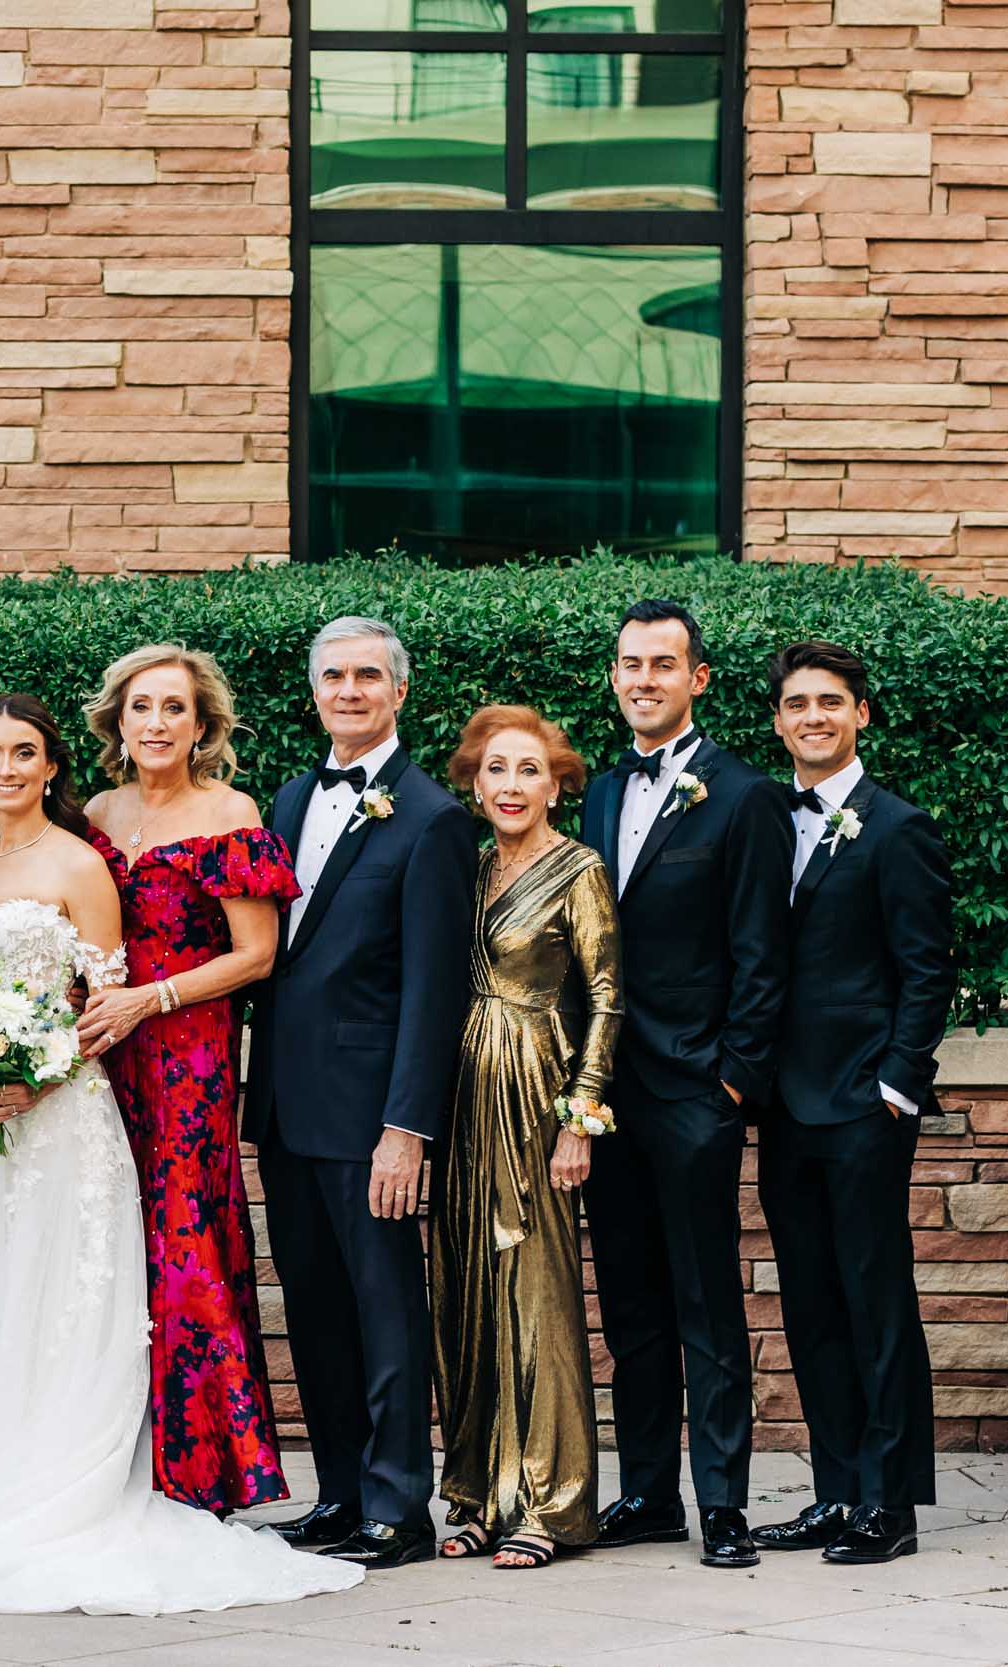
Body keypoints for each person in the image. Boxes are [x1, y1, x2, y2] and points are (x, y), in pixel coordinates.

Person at [0, 695, 363, 1615]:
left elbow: (110, 997)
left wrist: (39, 1074)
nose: (9, 768)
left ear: (52, 764)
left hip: (63, 1112)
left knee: (62, 1294)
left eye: (26, 752)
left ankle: (75, 1482)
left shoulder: (85, 860)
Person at [241, 616, 472, 1571]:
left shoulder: (433, 817)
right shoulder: (290, 798)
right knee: (316, 1306)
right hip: (288, 1108)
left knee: (385, 1309)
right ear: (314, 691)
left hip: (373, 1113)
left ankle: (398, 1505)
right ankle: (338, 1493)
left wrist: (407, 1126)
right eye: (333, 676)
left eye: (367, 676)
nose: (349, 690)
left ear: (399, 692)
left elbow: (434, 987)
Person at [578, 599, 793, 1571]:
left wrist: (733, 1085)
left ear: (696, 678)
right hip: (604, 1092)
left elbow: (761, 950)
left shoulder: (741, 794)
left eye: (662, 664)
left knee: (706, 1304)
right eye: (629, 663)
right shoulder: (595, 788)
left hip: (695, 1093)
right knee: (628, 1305)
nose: (643, 679)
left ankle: (724, 1505)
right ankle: (648, 1494)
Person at [73, 645, 295, 1516]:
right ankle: (113, 1455)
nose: (157, 723)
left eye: (174, 708)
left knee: (186, 1245)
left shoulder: (228, 811)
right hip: (106, 1055)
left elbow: (258, 953)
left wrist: (151, 999)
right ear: (117, 722)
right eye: (141, 708)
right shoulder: (92, 812)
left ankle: (202, 1473)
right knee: (111, 1241)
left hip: (191, 1056)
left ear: (201, 725)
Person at [750, 641, 947, 1566]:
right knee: (811, 1303)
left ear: (860, 713)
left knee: (876, 1299)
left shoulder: (898, 828)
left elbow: (926, 968)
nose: (814, 716)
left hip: (866, 1104)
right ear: (779, 719)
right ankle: (835, 1493)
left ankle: (889, 1504)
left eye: (831, 701)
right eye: (797, 703)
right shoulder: (761, 817)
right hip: (783, 1105)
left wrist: (897, 1087)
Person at [432, 706, 620, 1570]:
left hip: (536, 1087)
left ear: (556, 782)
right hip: (464, 1093)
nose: (511, 785)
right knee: (466, 1290)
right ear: (475, 782)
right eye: (496, 769)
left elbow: (609, 997)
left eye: (529, 770)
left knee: (538, 1292)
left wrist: (579, 1118)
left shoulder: (580, 868)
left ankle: (553, 1502)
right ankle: (474, 1491)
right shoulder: (466, 870)